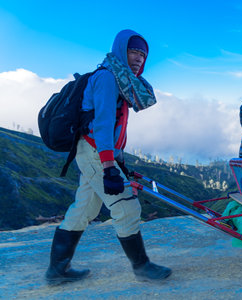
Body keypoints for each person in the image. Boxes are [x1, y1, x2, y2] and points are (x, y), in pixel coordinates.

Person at [45, 29, 171, 285]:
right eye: (133, 51)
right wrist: (109, 166)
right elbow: (102, 124)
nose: (138, 58)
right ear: (120, 50)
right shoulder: (107, 78)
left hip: (94, 151)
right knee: (126, 206)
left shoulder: (120, 79)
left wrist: (117, 160)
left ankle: (57, 271)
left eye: (143, 54)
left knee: (84, 209)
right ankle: (142, 267)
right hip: (94, 151)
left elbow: (113, 127)